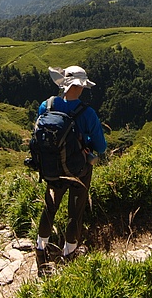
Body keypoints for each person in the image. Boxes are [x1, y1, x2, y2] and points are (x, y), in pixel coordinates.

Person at [34, 65, 106, 276]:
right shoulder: (87, 113)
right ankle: (70, 253)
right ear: (80, 86)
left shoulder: (45, 106)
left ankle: (41, 250)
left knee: (49, 207)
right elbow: (101, 147)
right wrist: (86, 143)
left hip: (51, 169)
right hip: (78, 170)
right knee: (75, 212)